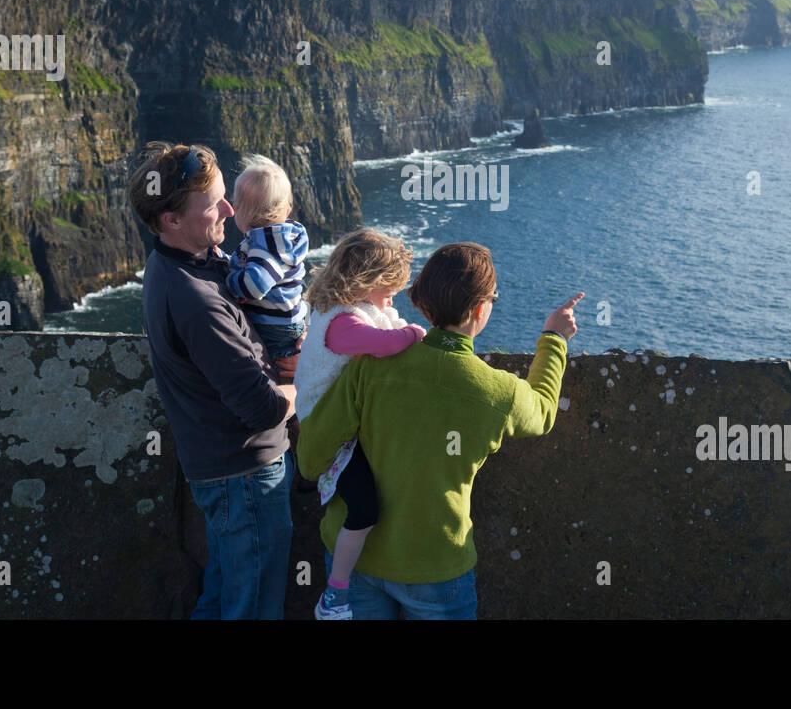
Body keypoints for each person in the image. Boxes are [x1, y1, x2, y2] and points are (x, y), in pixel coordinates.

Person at [298, 240, 583, 619]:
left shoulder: (367, 368)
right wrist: (553, 339)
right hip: (433, 568)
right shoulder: (499, 393)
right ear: (481, 308)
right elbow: (544, 410)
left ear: (421, 302)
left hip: (355, 564)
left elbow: (310, 456)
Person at [130, 141, 298, 620]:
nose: (230, 209)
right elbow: (263, 408)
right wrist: (307, 383)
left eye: (227, 196)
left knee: (224, 597)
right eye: (214, 205)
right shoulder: (197, 300)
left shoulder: (175, 263)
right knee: (253, 608)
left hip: (221, 471)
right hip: (245, 475)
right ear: (171, 220)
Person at [295, 228, 427, 619]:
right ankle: (335, 592)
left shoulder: (349, 309)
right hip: (328, 431)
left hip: (342, 423)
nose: (395, 296)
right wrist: (416, 333)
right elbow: (387, 343)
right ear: (364, 282)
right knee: (365, 509)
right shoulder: (342, 323)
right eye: (389, 288)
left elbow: (385, 323)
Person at [225, 154, 310, 372]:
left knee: (276, 370)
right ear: (287, 210)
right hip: (289, 319)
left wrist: (230, 280)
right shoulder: (283, 238)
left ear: (238, 211)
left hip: (275, 328)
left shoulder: (267, 247)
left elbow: (254, 286)